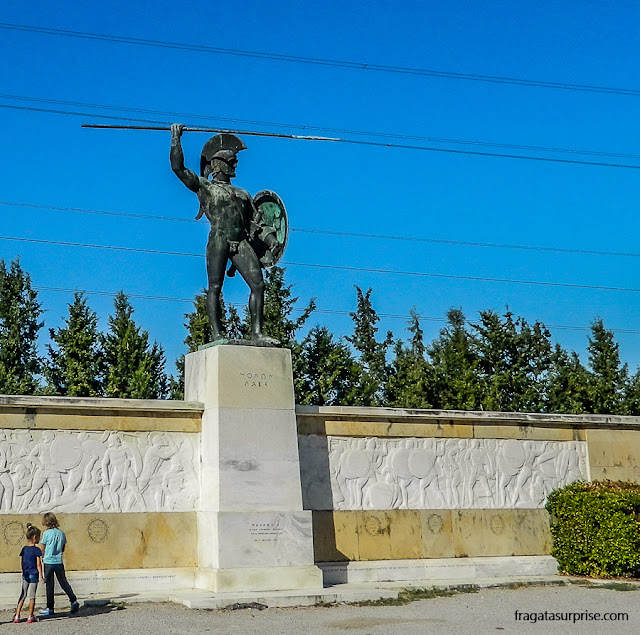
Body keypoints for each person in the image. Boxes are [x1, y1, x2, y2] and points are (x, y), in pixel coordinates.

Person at [170, 123, 279, 345]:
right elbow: (178, 169)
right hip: (219, 239)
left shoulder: (243, 194)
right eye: (231, 161)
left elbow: (257, 224)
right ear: (219, 166)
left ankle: (257, 333)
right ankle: (217, 334)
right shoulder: (205, 187)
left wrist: (271, 241)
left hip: (240, 242)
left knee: (258, 285)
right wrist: (175, 138)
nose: (235, 164)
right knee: (215, 287)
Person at [38, 512, 79, 616]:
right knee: (63, 582)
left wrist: (40, 557)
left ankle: (50, 607)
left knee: (50, 585)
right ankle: (73, 600)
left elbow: (42, 548)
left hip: (48, 561)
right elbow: (63, 548)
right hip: (58, 561)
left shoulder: (46, 534)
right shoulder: (61, 533)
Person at [12, 523, 44, 623]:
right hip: (34, 573)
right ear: (35, 537)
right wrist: (41, 576)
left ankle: (17, 615)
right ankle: (30, 615)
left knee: (23, 594)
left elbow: (22, 562)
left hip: (25, 573)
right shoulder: (37, 550)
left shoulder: (24, 549)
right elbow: (39, 564)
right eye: (38, 537)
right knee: (32, 595)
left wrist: (23, 571)